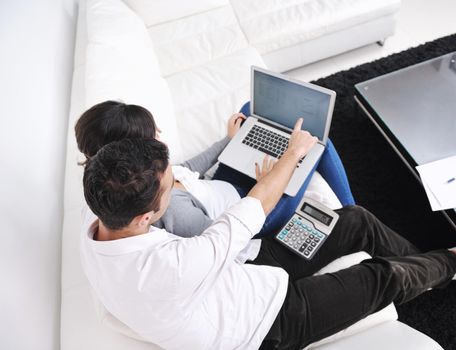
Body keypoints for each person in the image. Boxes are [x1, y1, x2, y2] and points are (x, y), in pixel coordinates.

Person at [80, 119, 456, 350]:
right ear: (146, 216)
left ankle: (429, 274)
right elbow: (255, 205)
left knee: (353, 219)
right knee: (381, 277)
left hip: (249, 268)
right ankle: (449, 262)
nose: (176, 184)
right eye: (169, 188)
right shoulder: (173, 265)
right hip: (269, 324)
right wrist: (293, 154)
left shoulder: (97, 222)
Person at [75, 100, 329, 238]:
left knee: (250, 111)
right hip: (256, 209)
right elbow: (229, 234)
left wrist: (231, 140)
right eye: (152, 134)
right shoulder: (169, 206)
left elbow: (185, 169)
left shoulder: (148, 174)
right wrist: (269, 184)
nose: (160, 133)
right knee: (318, 144)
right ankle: (351, 204)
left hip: (219, 187)